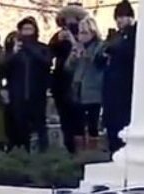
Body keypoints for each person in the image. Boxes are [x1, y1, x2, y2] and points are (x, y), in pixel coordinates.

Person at [3, 17, 52, 152]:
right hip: (18, 93)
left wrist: (30, 48)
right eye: (24, 29)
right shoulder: (15, 50)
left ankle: (43, 151)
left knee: (40, 123)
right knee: (19, 123)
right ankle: (22, 151)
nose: (27, 32)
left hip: (37, 92)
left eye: (30, 29)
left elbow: (46, 62)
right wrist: (14, 53)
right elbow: (5, 68)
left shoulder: (42, 48)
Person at [50, 3, 90, 154]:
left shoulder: (83, 34)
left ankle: (81, 151)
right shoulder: (58, 36)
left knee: (78, 119)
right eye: (66, 18)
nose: (69, 21)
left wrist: (72, 40)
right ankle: (69, 149)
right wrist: (58, 41)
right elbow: (51, 53)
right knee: (65, 119)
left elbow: (82, 52)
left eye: (73, 18)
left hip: (77, 80)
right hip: (60, 80)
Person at [100, 0, 137, 154]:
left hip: (125, 86)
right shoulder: (115, 36)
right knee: (112, 125)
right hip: (111, 86)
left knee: (121, 122)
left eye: (123, 17)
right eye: (118, 18)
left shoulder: (134, 34)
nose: (120, 21)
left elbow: (129, 53)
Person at [67, 16, 106, 152]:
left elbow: (99, 62)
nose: (81, 36)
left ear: (93, 32)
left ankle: (92, 153)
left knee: (92, 125)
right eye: (80, 33)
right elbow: (68, 68)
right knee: (77, 125)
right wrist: (73, 57)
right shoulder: (77, 46)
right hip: (78, 90)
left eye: (84, 33)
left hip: (93, 91)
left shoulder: (100, 46)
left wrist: (85, 54)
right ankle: (79, 154)